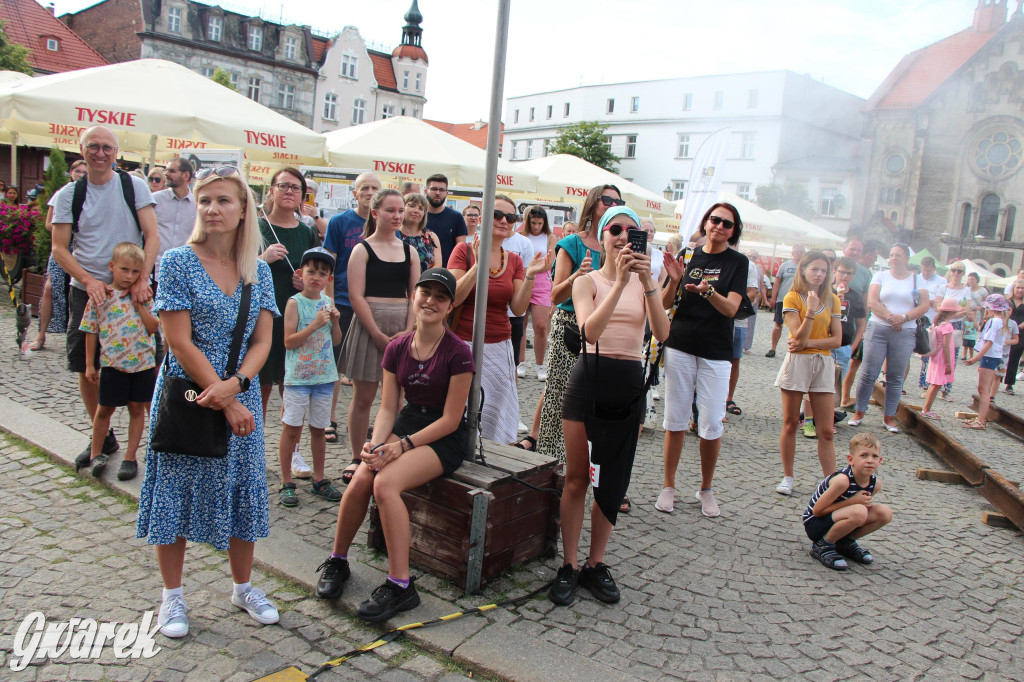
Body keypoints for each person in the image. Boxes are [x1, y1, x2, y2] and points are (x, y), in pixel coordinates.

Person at [137, 165, 280, 639]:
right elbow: (178, 342)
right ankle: (172, 598)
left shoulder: (257, 268)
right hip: (188, 395)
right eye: (205, 200)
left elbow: (263, 341)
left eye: (223, 200)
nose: (213, 209)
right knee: (175, 494)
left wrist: (236, 386)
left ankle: (243, 587)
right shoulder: (177, 261)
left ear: (243, 210)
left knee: (243, 493)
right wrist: (221, 396)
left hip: (238, 395)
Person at [315, 268, 474, 622]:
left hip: (443, 436)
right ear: (413, 297)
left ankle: (401, 585)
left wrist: (401, 446)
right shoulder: (397, 347)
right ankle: (338, 560)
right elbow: (388, 407)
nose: (431, 300)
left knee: (385, 484)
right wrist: (373, 445)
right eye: (425, 292)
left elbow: (450, 419)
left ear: (449, 306)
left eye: (440, 296)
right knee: (361, 476)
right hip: (407, 423)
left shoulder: (458, 352)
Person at [549, 206, 670, 606]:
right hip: (589, 379)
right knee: (577, 478)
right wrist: (618, 283)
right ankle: (568, 563)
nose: (622, 236)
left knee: (612, 482)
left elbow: (663, 332)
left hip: (628, 383)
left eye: (630, 231)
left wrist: (647, 279)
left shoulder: (647, 282)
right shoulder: (587, 282)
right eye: (614, 229)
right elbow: (588, 331)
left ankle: (595, 564)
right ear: (601, 237)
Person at [50, 125, 159, 465]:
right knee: (88, 366)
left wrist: (142, 278)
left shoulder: (133, 186)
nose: (100, 153)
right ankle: (103, 435)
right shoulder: (70, 194)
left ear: (116, 152)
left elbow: (152, 236)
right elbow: (59, 248)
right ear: (82, 150)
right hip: (88, 292)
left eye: (107, 148)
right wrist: (88, 279)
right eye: (93, 147)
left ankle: (130, 446)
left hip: (131, 291)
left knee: (138, 361)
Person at [655, 203, 748, 518]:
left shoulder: (737, 262)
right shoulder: (688, 254)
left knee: (711, 422)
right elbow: (666, 303)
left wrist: (709, 292)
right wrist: (676, 280)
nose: (719, 226)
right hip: (681, 343)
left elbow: (732, 309)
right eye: (715, 219)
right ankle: (669, 485)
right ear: (705, 222)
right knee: (676, 418)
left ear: (734, 231)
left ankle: (706, 488)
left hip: (716, 351)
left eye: (727, 223)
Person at [448, 195, 548, 444]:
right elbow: (454, 297)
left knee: (495, 406)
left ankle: (491, 456)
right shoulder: (463, 250)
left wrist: (531, 277)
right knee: (458, 406)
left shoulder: (513, 259)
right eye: (497, 215)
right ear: (483, 219)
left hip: (499, 343)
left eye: (510, 217)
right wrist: (477, 266)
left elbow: (517, 307)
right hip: (462, 341)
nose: (504, 221)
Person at [339, 189, 418, 482]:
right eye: (390, 210)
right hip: (369, 324)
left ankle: (385, 451)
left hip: (401, 325)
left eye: (400, 210)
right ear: (375, 213)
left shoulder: (409, 251)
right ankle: (356, 455)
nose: (397, 216)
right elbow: (356, 295)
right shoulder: (362, 249)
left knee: (396, 398)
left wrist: (408, 330)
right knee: (364, 396)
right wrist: (374, 332)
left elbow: (415, 295)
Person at [536, 185, 620, 460]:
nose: (611, 204)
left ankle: (594, 466)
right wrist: (577, 276)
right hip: (570, 327)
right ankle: (553, 464)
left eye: (617, 201)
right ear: (593, 203)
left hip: (604, 328)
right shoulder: (573, 243)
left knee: (599, 400)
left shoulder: (617, 248)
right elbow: (555, 294)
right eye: (606, 199)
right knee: (561, 395)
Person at [74, 242, 159, 481]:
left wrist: (139, 306)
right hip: (113, 364)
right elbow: (90, 331)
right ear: (112, 267)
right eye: (124, 270)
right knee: (105, 410)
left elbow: (154, 327)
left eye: (135, 272)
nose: (129, 276)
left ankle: (130, 457)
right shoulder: (101, 297)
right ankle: (96, 452)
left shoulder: (144, 296)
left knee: (136, 409)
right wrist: (91, 364)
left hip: (142, 365)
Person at [277, 247, 344, 508]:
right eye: (311, 271)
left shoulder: (327, 302)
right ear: (301, 273)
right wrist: (314, 324)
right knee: (291, 429)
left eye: (322, 273)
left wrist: (335, 322)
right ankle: (286, 481)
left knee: (319, 429)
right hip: (298, 379)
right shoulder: (295, 302)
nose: (316, 277)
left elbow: (335, 340)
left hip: (324, 378)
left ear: (329, 279)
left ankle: (319, 478)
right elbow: (288, 342)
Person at [775, 252, 842, 496]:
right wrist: (811, 311)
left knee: (825, 429)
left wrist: (808, 342)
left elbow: (837, 339)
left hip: (822, 363)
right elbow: (796, 336)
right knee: (791, 422)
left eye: (824, 270)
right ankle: (788, 476)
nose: (820, 274)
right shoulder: (793, 297)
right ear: (803, 270)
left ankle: (832, 482)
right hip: (798, 363)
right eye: (815, 269)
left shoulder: (833, 299)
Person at [257, 167, 320, 422]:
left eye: (295, 188)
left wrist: (304, 282)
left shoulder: (307, 232)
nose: (289, 191)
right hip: (260, 315)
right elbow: (235, 269)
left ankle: (290, 450)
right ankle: (253, 451)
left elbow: (317, 277)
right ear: (272, 190)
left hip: (294, 316)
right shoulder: (256, 226)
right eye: (283, 185)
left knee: (290, 386)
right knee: (259, 383)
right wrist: (263, 258)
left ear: (302, 196)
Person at [324, 172, 382, 440]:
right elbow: (330, 265)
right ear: (355, 193)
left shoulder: (386, 223)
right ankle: (329, 418)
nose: (369, 192)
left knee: (370, 369)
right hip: (344, 302)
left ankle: (367, 421)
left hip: (374, 305)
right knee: (334, 364)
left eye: (375, 188)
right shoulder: (339, 222)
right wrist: (330, 301)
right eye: (364, 188)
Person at [850, 244, 930, 432]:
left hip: (905, 329)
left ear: (907, 258)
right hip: (879, 327)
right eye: (892, 255)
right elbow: (873, 301)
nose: (893, 258)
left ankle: (889, 417)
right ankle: (859, 412)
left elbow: (924, 305)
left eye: (898, 255)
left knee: (895, 376)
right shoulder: (881, 276)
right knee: (869, 372)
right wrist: (890, 317)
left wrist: (904, 317)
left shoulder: (916, 280)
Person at [803, 433, 892, 571]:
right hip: (815, 523)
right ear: (851, 459)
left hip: (838, 518)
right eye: (864, 455)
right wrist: (853, 501)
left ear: (880, 460)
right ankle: (823, 545)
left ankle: (844, 542)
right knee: (859, 511)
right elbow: (817, 510)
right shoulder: (842, 480)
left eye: (874, 456)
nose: (870, 460)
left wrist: (857, 503)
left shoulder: (875, 484)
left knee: (884, 513)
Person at [29, 160, 88, 351]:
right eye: (77, 171)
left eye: (83, 171)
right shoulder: (63, 193)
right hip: (63, 245)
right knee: (49, 288)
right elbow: (49, 224)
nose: (80, 174)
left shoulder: (91, 193)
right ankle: (41, 335)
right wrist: (66, 228)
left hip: (83, 247)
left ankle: (78, 337)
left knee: (79, 292)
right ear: (70, 172)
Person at [962, 294, 1015, 429]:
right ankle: (981, 418)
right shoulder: (999, 321)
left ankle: (981, 420)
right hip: (992, 356)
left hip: (989, 356)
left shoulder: (995, 321)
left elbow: (989, 342)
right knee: (984, 389)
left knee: (984, 389)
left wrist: (976, 357)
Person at [518, 206, 557, 381]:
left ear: (544, 223)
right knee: (521, 324)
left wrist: (534, 265)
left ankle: (540, 364)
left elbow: (550, 262)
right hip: (523, 277)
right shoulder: (520, 234)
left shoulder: (550, 236)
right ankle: (521, 362)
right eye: (533, 223)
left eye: (539, 223)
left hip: (542, 282)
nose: (536, 227)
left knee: (541, 326)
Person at [725, 251, 759, 416]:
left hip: (738, 319)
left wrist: (730, 302)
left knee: (734, 360)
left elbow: (752, 293)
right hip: (715, 319)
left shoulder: (748, 264)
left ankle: (728, 398)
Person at [152, 157, 196, 285]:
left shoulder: (197, 204)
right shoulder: (155, 200)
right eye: (166, 170)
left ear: (186, 175)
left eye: (172, 171)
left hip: (182, 275)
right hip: (154, 272)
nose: (166, 174)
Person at [920, 299, 961, 419]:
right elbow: (946, 346)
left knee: (934, 383)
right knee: (936, 384)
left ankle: (926, 409)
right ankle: (926, 410)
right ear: (951, 312)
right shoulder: (947, 326)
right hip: (942, 356)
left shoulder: (937, 322)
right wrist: (949, 364)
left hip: (936, 355)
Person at [834, 257, 867, 408]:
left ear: (853, 276)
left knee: (836, 385)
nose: (845, 276)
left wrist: (853, 346)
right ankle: (808, 416)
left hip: (844, 345)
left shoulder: (855, 296)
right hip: (824, 343)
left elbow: (861, 323)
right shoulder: (826, 291)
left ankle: (829, 416)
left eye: (849, 273)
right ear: (834, 271)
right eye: (842, 272)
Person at [938, 263, 973, 399]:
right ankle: (932, 384)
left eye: (959, 271)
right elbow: (937, 304)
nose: (956, 273)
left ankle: (946, 388)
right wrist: (951, 313)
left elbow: (966, 309)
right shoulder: (943, 287)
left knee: (952, 355)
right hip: (943, 322)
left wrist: (951, 314)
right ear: (950, 272)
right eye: (954, 270)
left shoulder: (966, 290)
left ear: (963, 273)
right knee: (937, 352)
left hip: (956, 324)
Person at [766, 244, 805, 357]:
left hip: (799, 300)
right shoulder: (784, 265)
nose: (798, 254)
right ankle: (773, 348)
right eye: (796, 251)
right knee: (778, 324)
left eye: (800, 252)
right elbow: (777, 282)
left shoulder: (806, 267)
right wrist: (773, 297)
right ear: (792, 253)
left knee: (798, 326)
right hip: (783, 299)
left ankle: (795, 348)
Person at [915, 257, 947, 392]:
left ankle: (927, 382)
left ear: (934, 269)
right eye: (924, 271)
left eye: (928, 271)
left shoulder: (941, 281)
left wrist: (926, 301)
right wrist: (928, 301)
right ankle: (923, 380)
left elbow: (940, 301)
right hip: (918, 315)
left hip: (932, 317)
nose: (926, 273)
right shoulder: (916, 278)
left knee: (929, 349)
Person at [424, 174, 467, 265]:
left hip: (447, 273)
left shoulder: (456, 217)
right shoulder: (418, 215)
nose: (438, 193)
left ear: (447, 193)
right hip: (419, 272)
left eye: (442, 190)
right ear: (426, 191)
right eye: (434, 189)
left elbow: (461, 251)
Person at [399, 192, 441, 271]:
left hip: (425, 281)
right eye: (412, 206)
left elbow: (438, 265)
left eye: (421, 208)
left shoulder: (431, 237)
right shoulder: (393, 233)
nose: (416, 210)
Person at [1002, 279, 1024, 395]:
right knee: (1001, 356)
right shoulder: (1008, 301)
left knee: (1014, 359)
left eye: (1022, 288)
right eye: (1018, 288)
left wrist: (1019, 327)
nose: (1020, 290)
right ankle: (996, 379)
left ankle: (1009, 383)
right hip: (1006, 330)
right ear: (1013, 289)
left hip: (1021, 333)